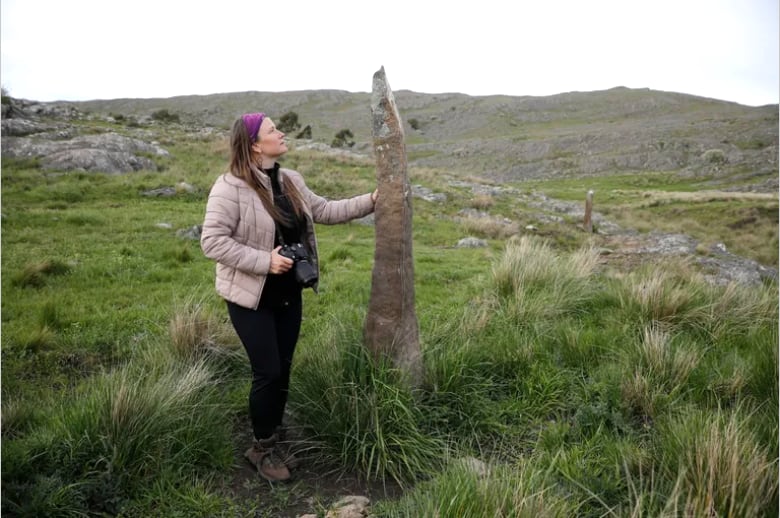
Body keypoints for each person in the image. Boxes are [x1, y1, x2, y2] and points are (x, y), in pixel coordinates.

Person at [201, 112, 377, 482]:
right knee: (267, 372)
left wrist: (373, 200)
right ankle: (260, 448)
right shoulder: (228, 187)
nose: (281, 133)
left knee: (283, 369)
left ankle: (273, 433)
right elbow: (212, 241)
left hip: (287, 295)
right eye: (272, 130)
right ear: (253, 144)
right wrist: (264, 261)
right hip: (251, 298)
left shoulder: (291, 179)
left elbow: (325, 210)